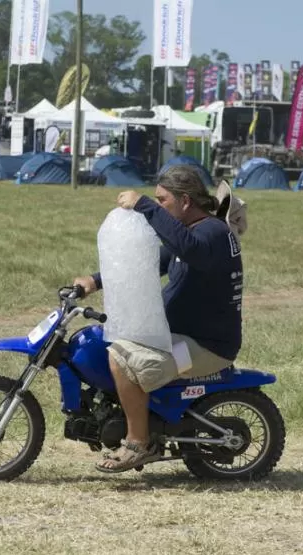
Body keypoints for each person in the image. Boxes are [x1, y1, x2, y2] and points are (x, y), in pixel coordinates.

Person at [73, 165, 245, 473]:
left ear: (185, 201)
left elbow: (188, 248)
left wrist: (144, 205)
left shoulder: (212, 233)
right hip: (182, 337)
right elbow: (149, 265)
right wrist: (95, 281)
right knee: (106, 341)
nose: (159, 205)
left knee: (122, 358)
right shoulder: (193, 234)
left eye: (163, 200)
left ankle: (139, 443)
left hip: (204, 348)